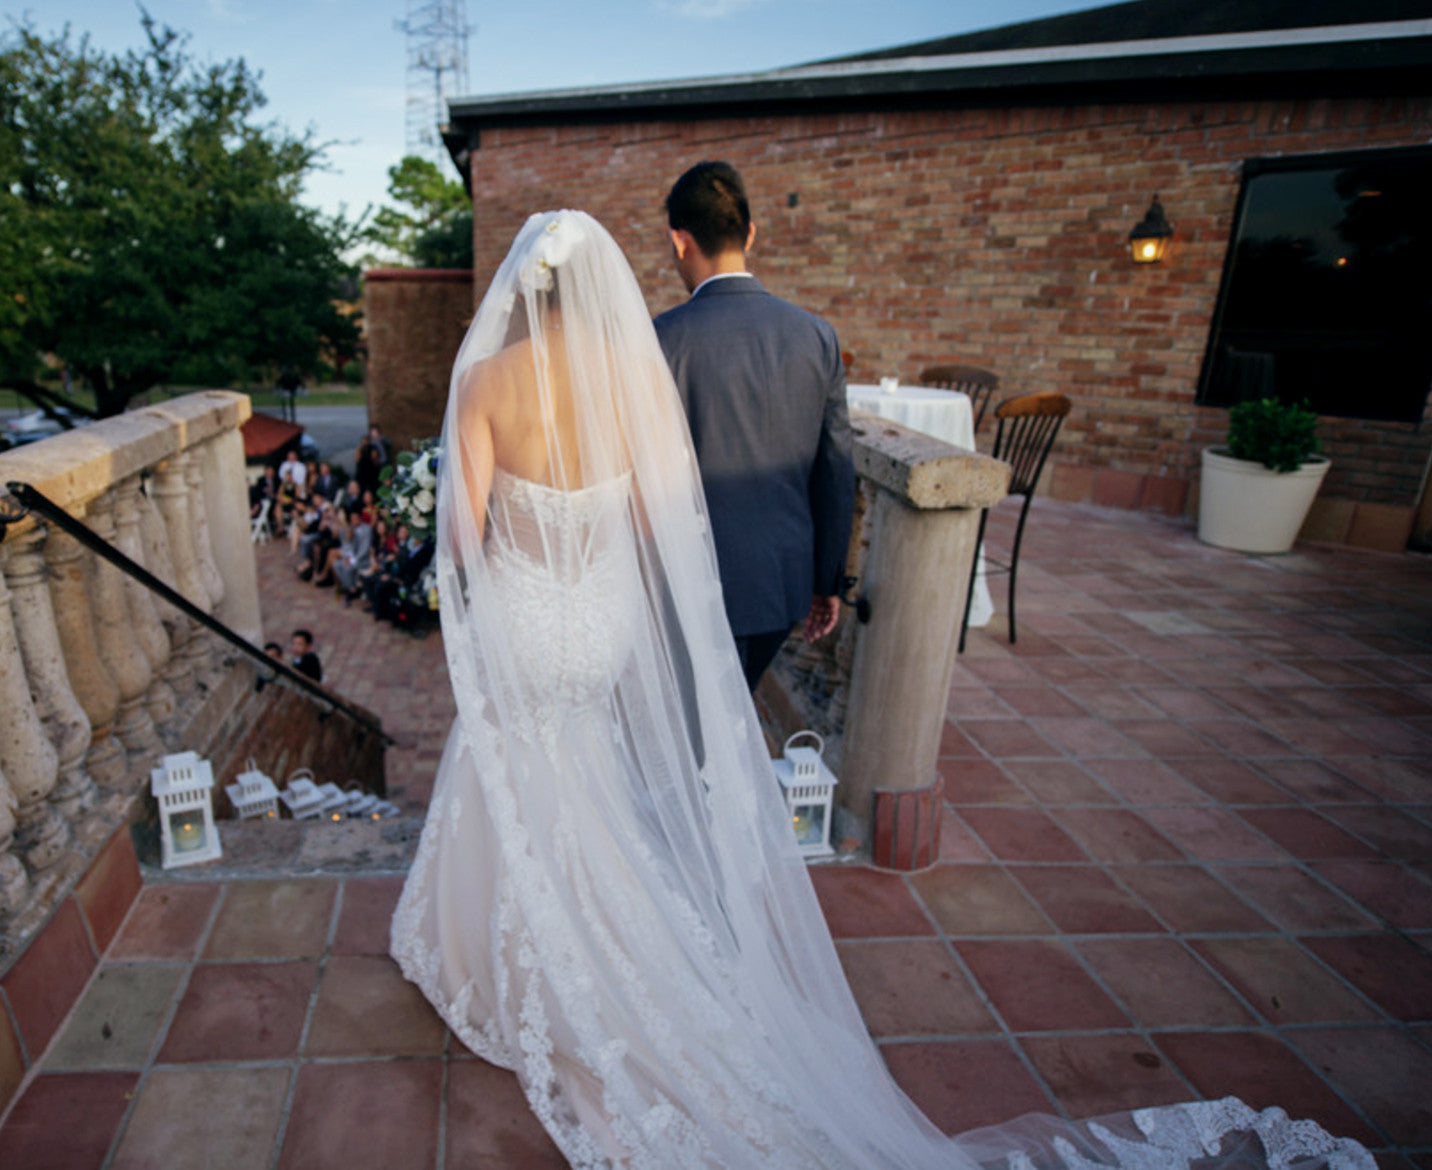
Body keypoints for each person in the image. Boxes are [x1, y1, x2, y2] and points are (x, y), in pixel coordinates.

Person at [390, 211, 1370, 1170]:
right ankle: (605, 948)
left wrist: (527, 553)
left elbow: (469, 545)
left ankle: (509, 955)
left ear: (521, 287)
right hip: (597, 625)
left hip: (528, 622)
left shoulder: (484, 382)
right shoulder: (628, 383)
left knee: (519, 779)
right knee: (592, 784)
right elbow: (654, 524)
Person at [654, 160, 854, 690]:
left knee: (694, 737)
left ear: (680, 241)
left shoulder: (661, 340)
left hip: (690, 590)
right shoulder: (817, 336)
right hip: (781, 586)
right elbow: (836, 470)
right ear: (751, 234)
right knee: (731, 718)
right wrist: (826, 580)